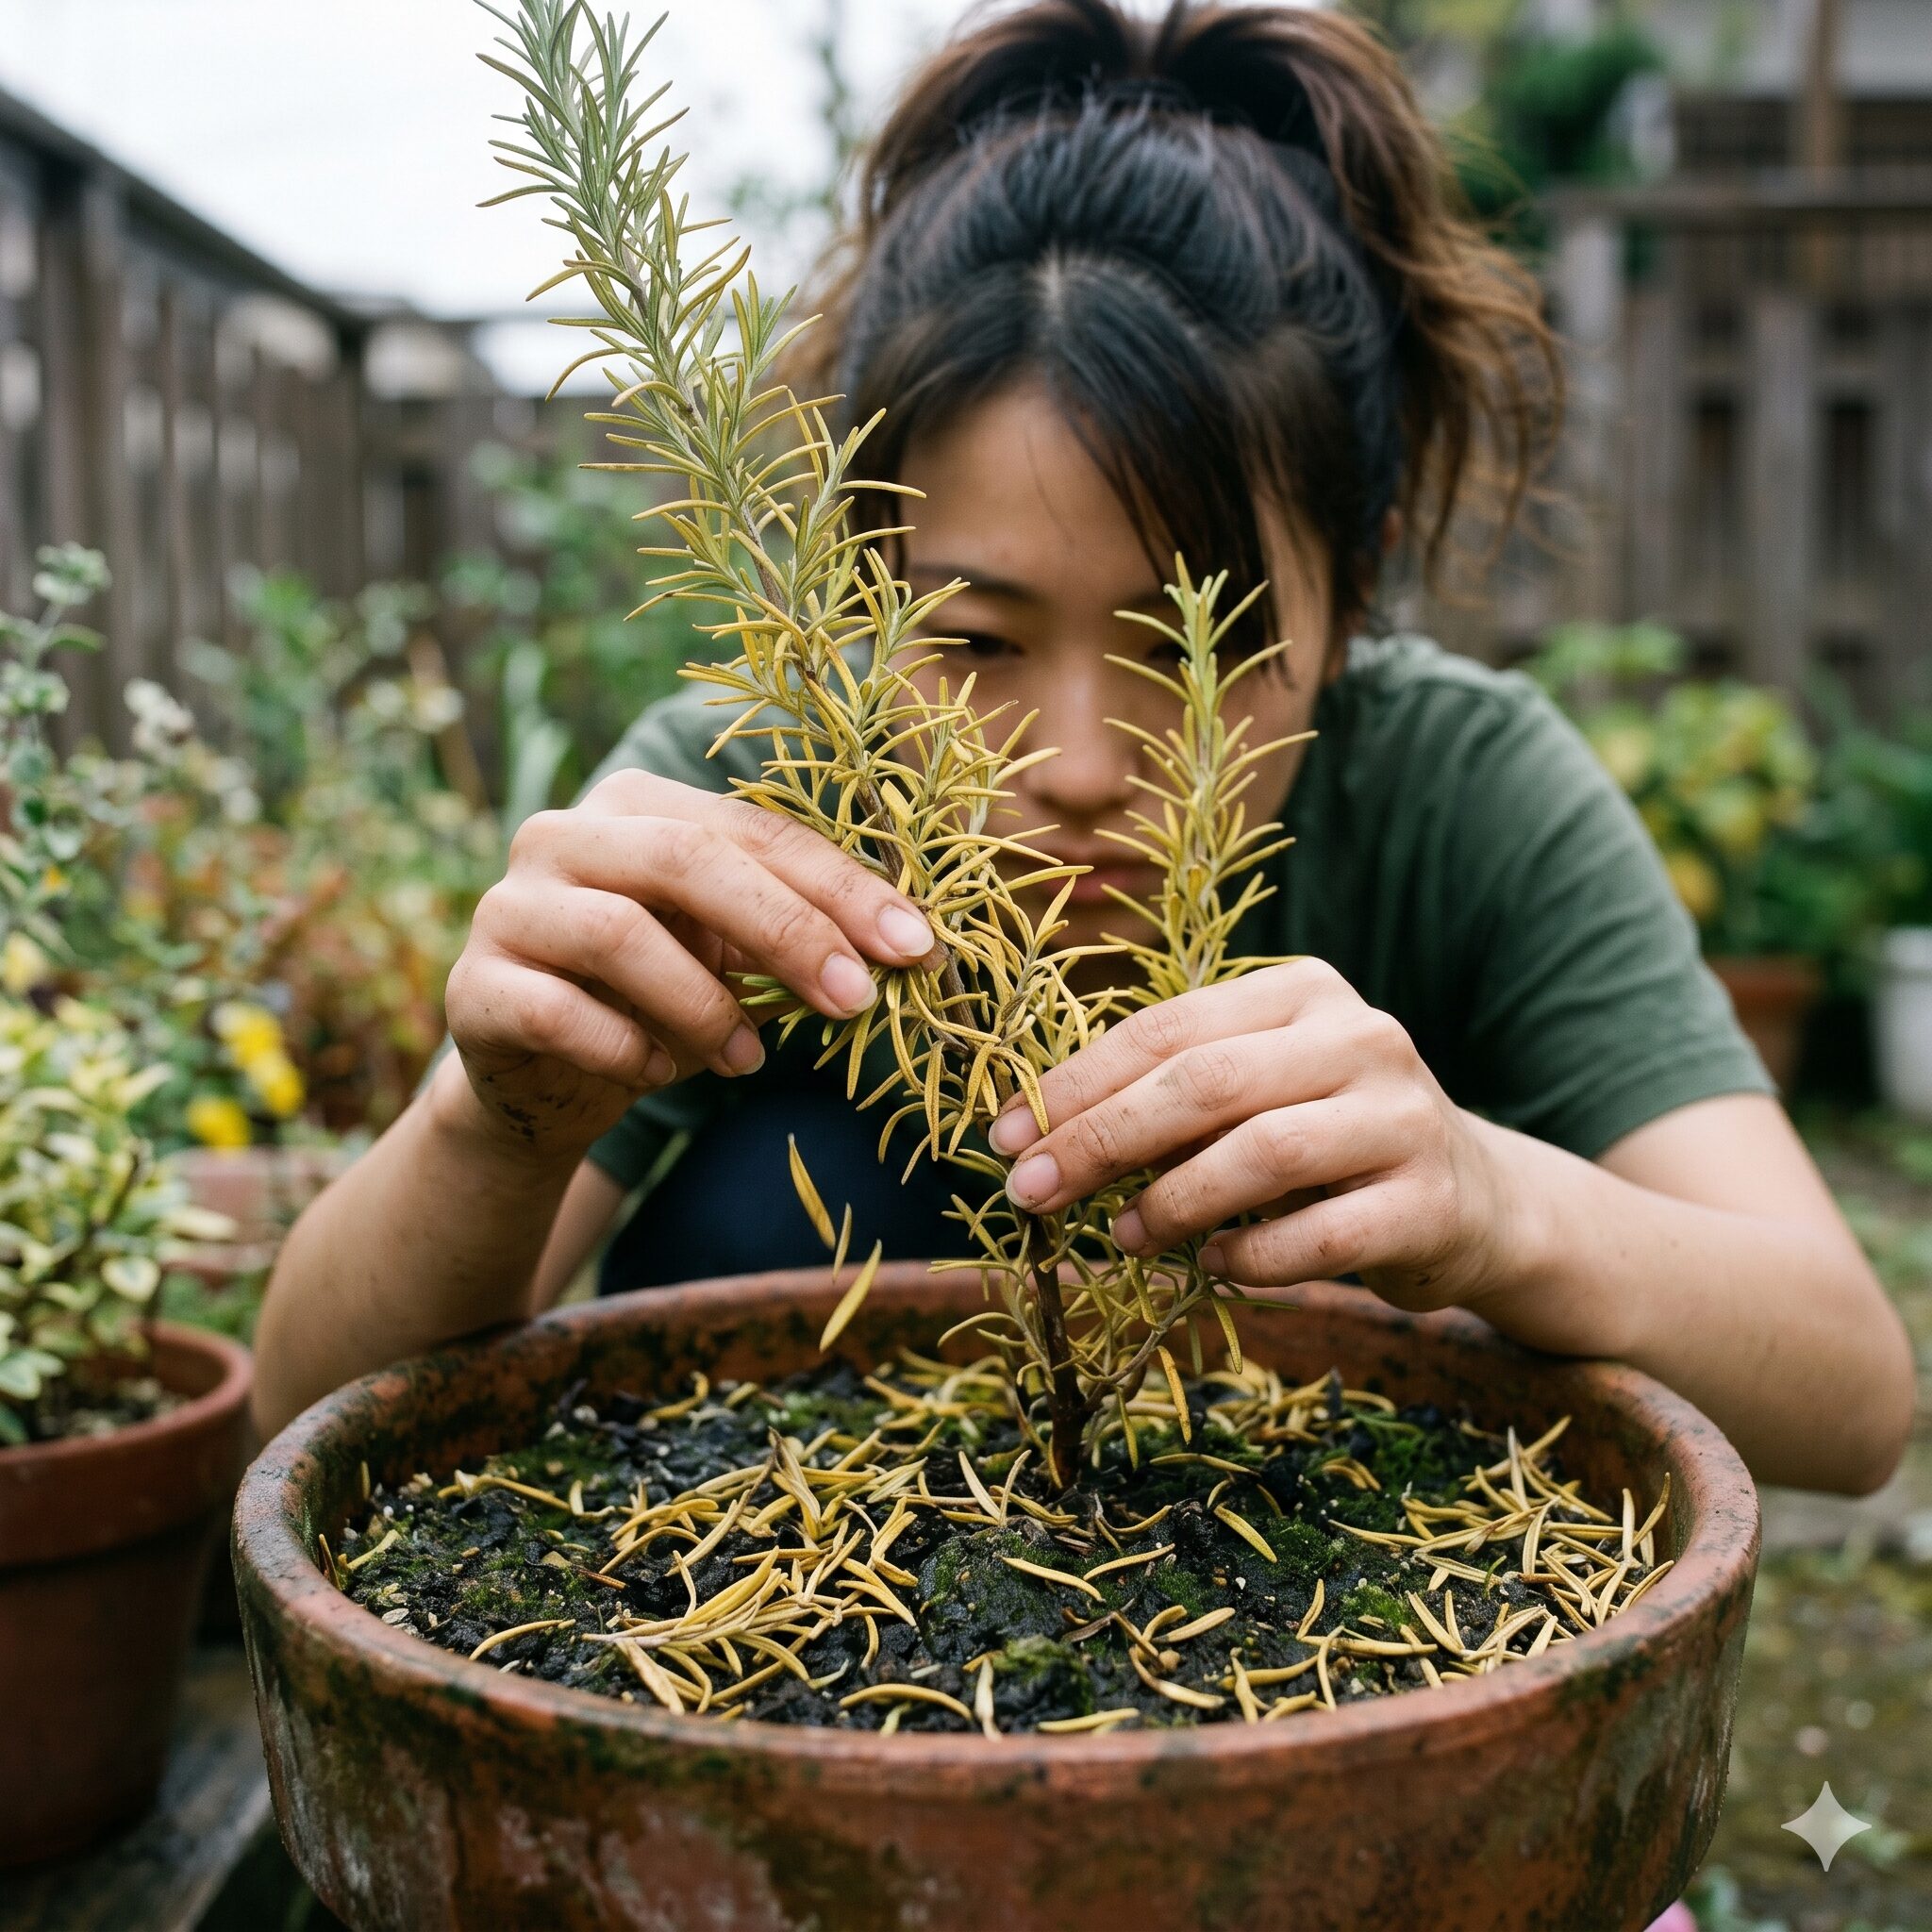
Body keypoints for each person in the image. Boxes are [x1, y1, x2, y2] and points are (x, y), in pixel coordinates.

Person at [257, 0, 1912, 1530]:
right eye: (975, 640)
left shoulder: (1462, 792)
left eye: (1200, 646)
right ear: (854, 585)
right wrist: (495, 1122)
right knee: (772, 1191)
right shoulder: (741, 799)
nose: (1079, 764)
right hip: (790, 1611)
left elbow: (1850, 1397)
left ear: (1357, 588)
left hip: (1303, 1612)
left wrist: (1493, 1202)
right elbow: (299, 1416)